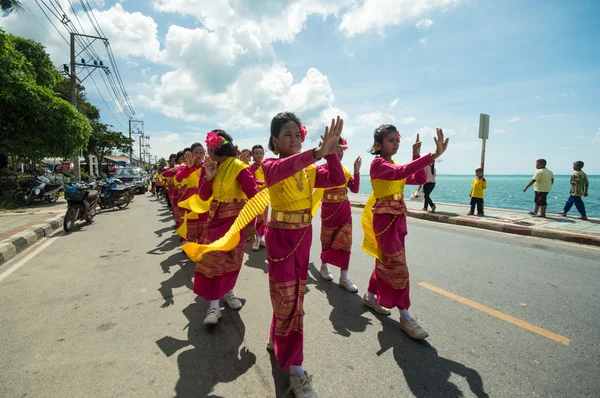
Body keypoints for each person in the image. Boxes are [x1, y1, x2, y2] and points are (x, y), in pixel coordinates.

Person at [262, 112, 345, 397]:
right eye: (288, 134)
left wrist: (330, 154)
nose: (295, 139)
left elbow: (336, 178)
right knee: (287, 300)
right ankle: (296, 371)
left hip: (303, 235)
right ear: (275, 140)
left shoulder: (310, 168)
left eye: (298, 134)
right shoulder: (270, 164)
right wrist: (317, 152)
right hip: (280, 237)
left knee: (293, 299)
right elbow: (285, 169)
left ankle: (277, 340)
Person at [361, 126, 448, 341]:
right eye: (391, 140)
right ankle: (405, 316)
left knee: (385, 262)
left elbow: (418, 179)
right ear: (379, 145)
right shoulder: (378, 164)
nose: (395, 144)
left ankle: (370, 296)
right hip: (385, 221)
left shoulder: (394, 164)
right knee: (399, 268)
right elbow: (400, 173)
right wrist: (432, 156)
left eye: (397, 140)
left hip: (398, 220)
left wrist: (417, 156)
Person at [318, 137, 361, 293]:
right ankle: (324, 266)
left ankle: (344, 277)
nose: (341, 153)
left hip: (344, 210)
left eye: (342, 150)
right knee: (327, 240)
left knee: (346, 242)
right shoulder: (321, 169)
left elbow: (355, 189)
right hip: (329, 211)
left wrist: (356, 171)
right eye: (337, 149)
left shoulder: (346, 170)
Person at [176, 143, 208, 244]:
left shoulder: (207, 166)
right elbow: (178, 178)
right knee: (192, 225)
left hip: (203, 198)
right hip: (190, 199)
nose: (199, 155)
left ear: (204, 154)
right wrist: (188, 168)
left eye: (201, 152)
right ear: (191, 154)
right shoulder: (184, 167)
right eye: (196, 153)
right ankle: (191, 245)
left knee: (204, 224)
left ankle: (201, 248)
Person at [249, 144, 268, 251]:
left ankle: (261, 238)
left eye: (261, 153)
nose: (259, 155)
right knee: (259, 217)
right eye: (257, 153)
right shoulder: (252, 167)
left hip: (266, 194)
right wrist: (262, 182)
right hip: (257, 194)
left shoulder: (266, 165)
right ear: (253, 155)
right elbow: (252, 179)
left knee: (264, 217)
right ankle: (256, 238)